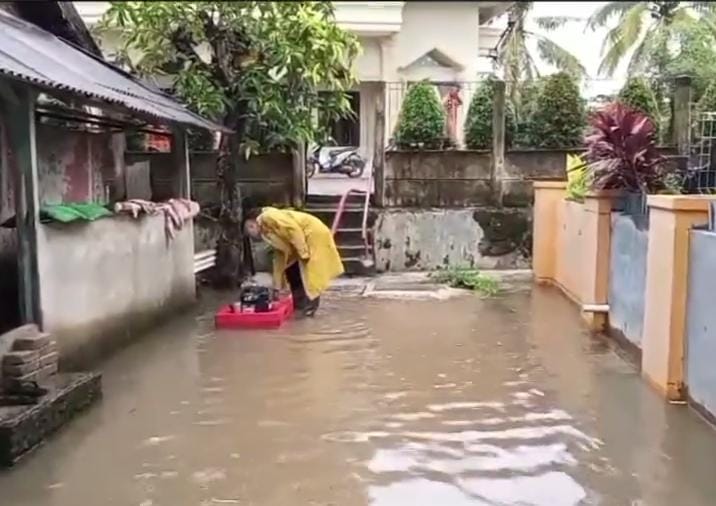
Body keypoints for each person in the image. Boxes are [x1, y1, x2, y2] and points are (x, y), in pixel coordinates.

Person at [243, 206, 344, 316]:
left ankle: (309, 309)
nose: (251, 233)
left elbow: (293, 229)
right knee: (291, 270)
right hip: (300, 241)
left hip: (312, 235)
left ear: (254, 222)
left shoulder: (268, 216)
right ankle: (299, 306)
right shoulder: (267, 231)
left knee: (310, 274)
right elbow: (280, 255)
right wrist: (276, 286)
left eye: (250, 227)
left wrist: (303, 252)